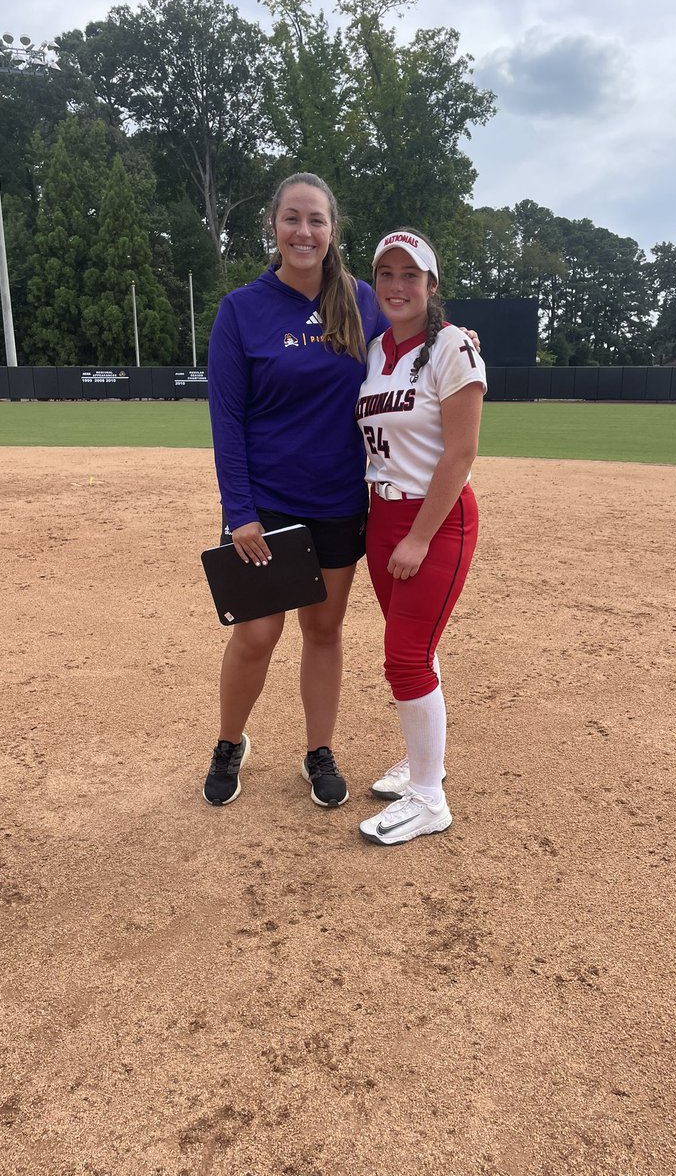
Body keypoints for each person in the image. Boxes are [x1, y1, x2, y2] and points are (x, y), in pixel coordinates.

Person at [202, 172, 387, 810]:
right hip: (267, 504)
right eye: (292, 218)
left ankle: (319, 751)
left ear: (332, 230)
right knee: (257, 634)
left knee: (324, 630)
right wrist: (240, 513)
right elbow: (226, 419)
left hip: (339, 499)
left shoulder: (361, 301)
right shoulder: (241, 310)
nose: (303, 231)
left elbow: (414, 337)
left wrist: (456, 336)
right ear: (273, 226)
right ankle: (230, 742)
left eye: (316, 220)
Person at [355, 228, 486, 846]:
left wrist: (419, 537)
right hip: (380, 517)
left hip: (434, 519)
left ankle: (430, 798)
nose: (397, 285)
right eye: (386, 273)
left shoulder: (453, 346)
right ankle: (422, 760)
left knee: (405, 656)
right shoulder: (373, 350)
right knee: (419, 648)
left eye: (411, 274)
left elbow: (460, 453)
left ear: (432, 286)